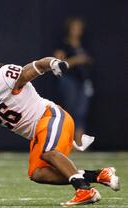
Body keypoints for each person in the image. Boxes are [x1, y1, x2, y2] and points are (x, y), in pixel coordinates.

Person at [0, 59, 120, 206]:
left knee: (48, 153)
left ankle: (84, 190)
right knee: (38, 174)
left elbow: (36, 66)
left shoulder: (4, 78)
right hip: (38, 133)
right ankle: (100, 175)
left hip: (52, 117)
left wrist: (53, 64)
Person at [54, 17, 94, 145]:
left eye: (79, 28)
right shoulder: (63, 45)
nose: (77, 31)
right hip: (69, 81)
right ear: (69, 29)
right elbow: (57, 64)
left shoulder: (84, 45)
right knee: (70, 112)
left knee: (81, 112)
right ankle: (67, 143)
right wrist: (77, 60)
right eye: (74, 28)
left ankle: (79, 144)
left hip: (83, 82)